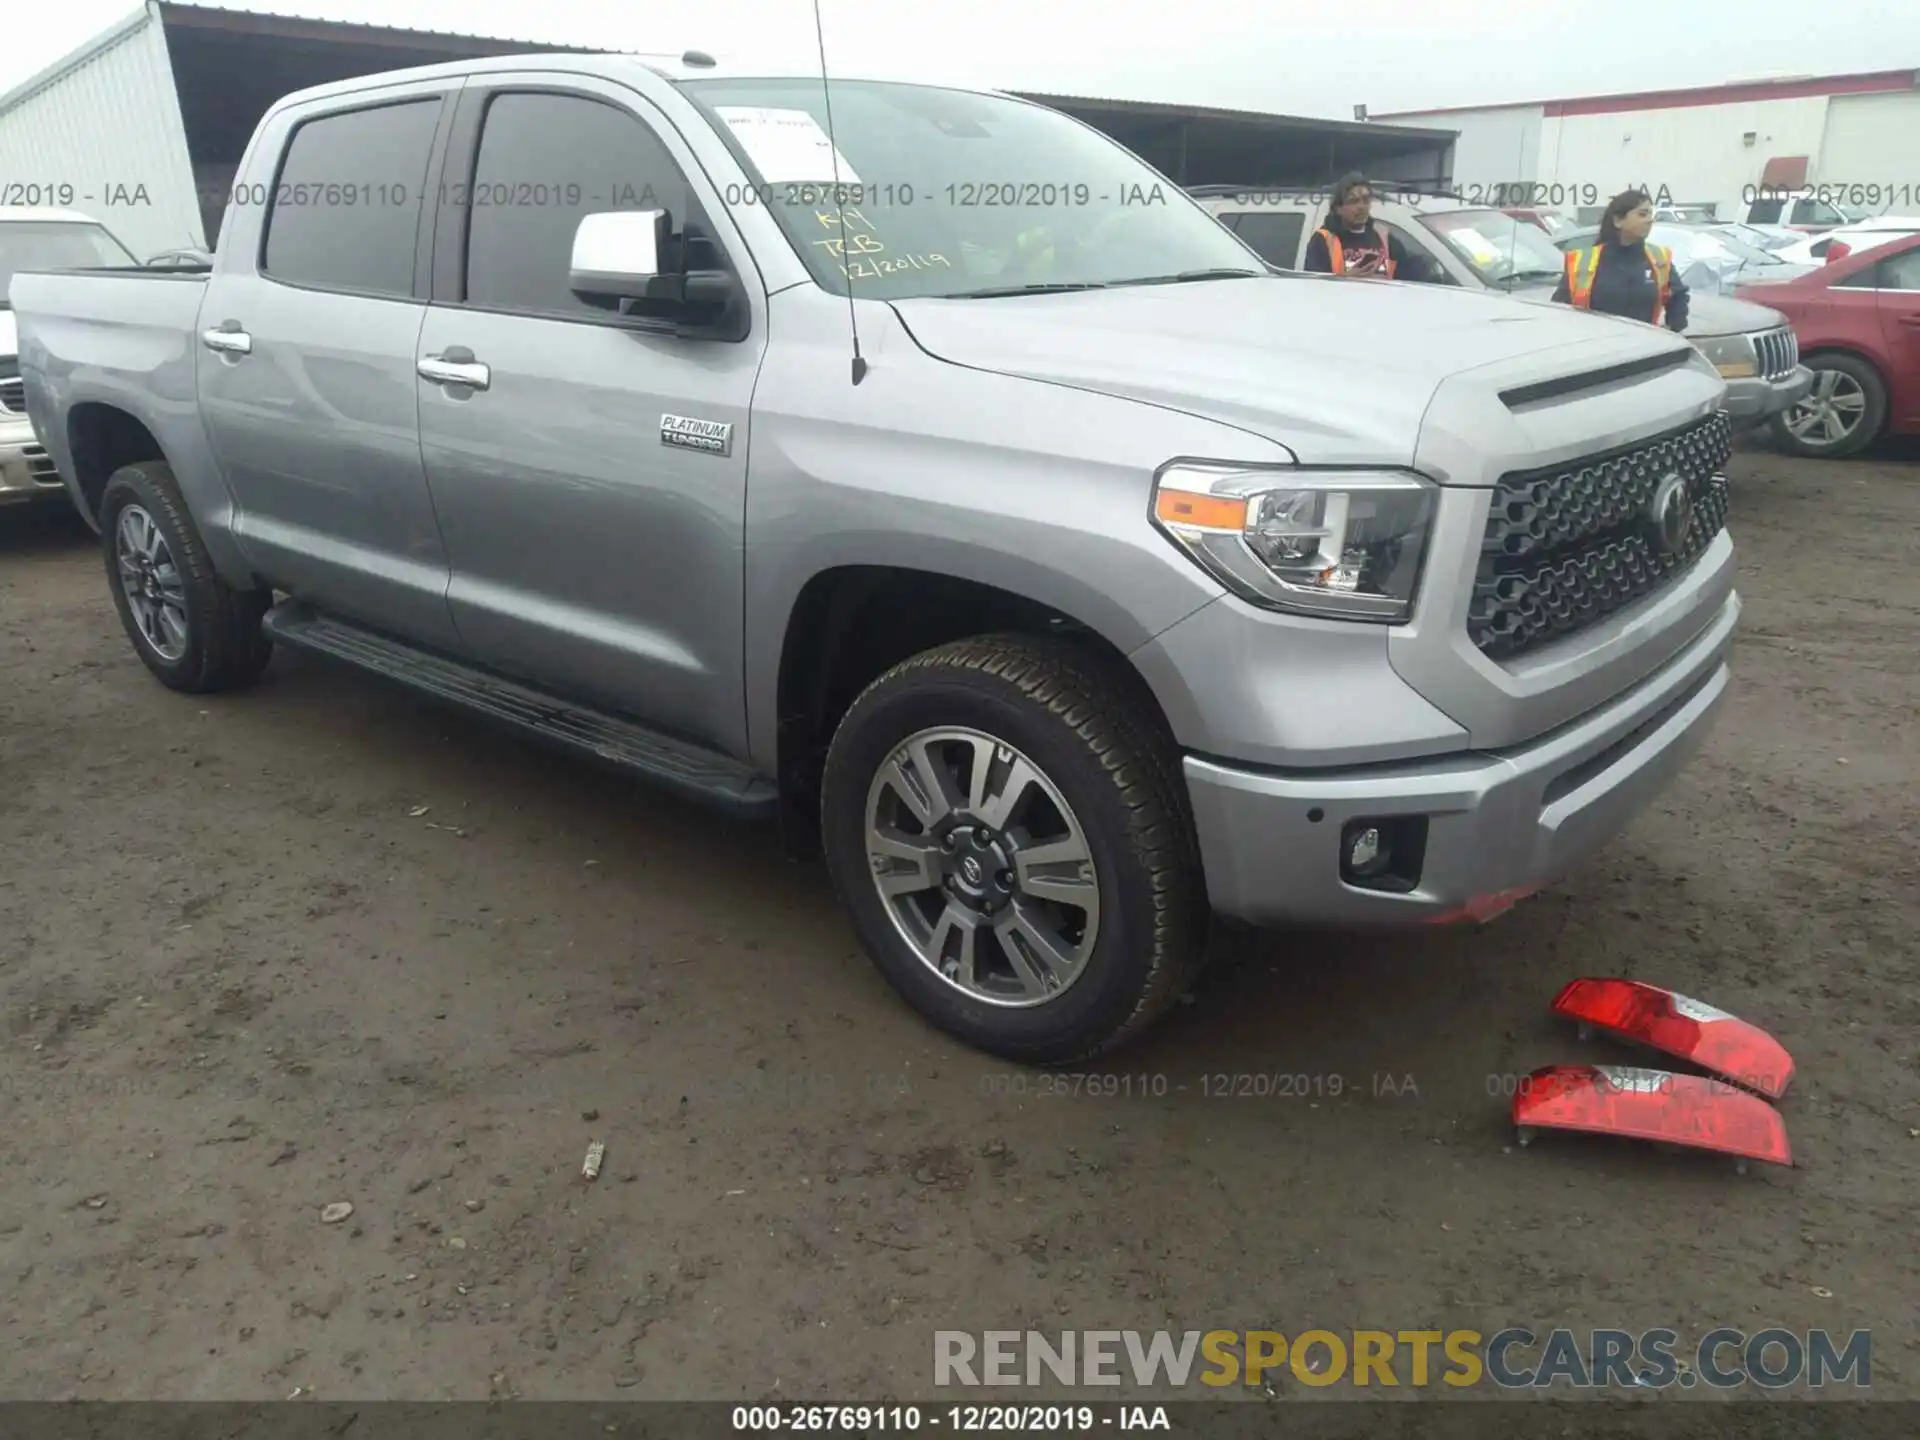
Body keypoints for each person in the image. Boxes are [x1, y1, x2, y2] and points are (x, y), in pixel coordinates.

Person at [1553, 188, 1690, 331]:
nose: (1650, 220)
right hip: (1597, 346)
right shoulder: (1582, 260)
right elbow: (1559, 309)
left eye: (1651, 214)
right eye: (1642, 214)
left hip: (1644, 347)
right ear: (1618, 221)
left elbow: (1678, 296)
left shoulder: (1659, 258)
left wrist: (1672, 328)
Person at [1302, 174, 1432, 281]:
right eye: (1353, 201)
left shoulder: (1384, 239)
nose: (1361, 206)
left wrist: (1423, 267)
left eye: (1366, 200)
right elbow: (1313, 286)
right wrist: (1343, 280)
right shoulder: (1323, 241)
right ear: (1338, 208)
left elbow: (1406, 275)